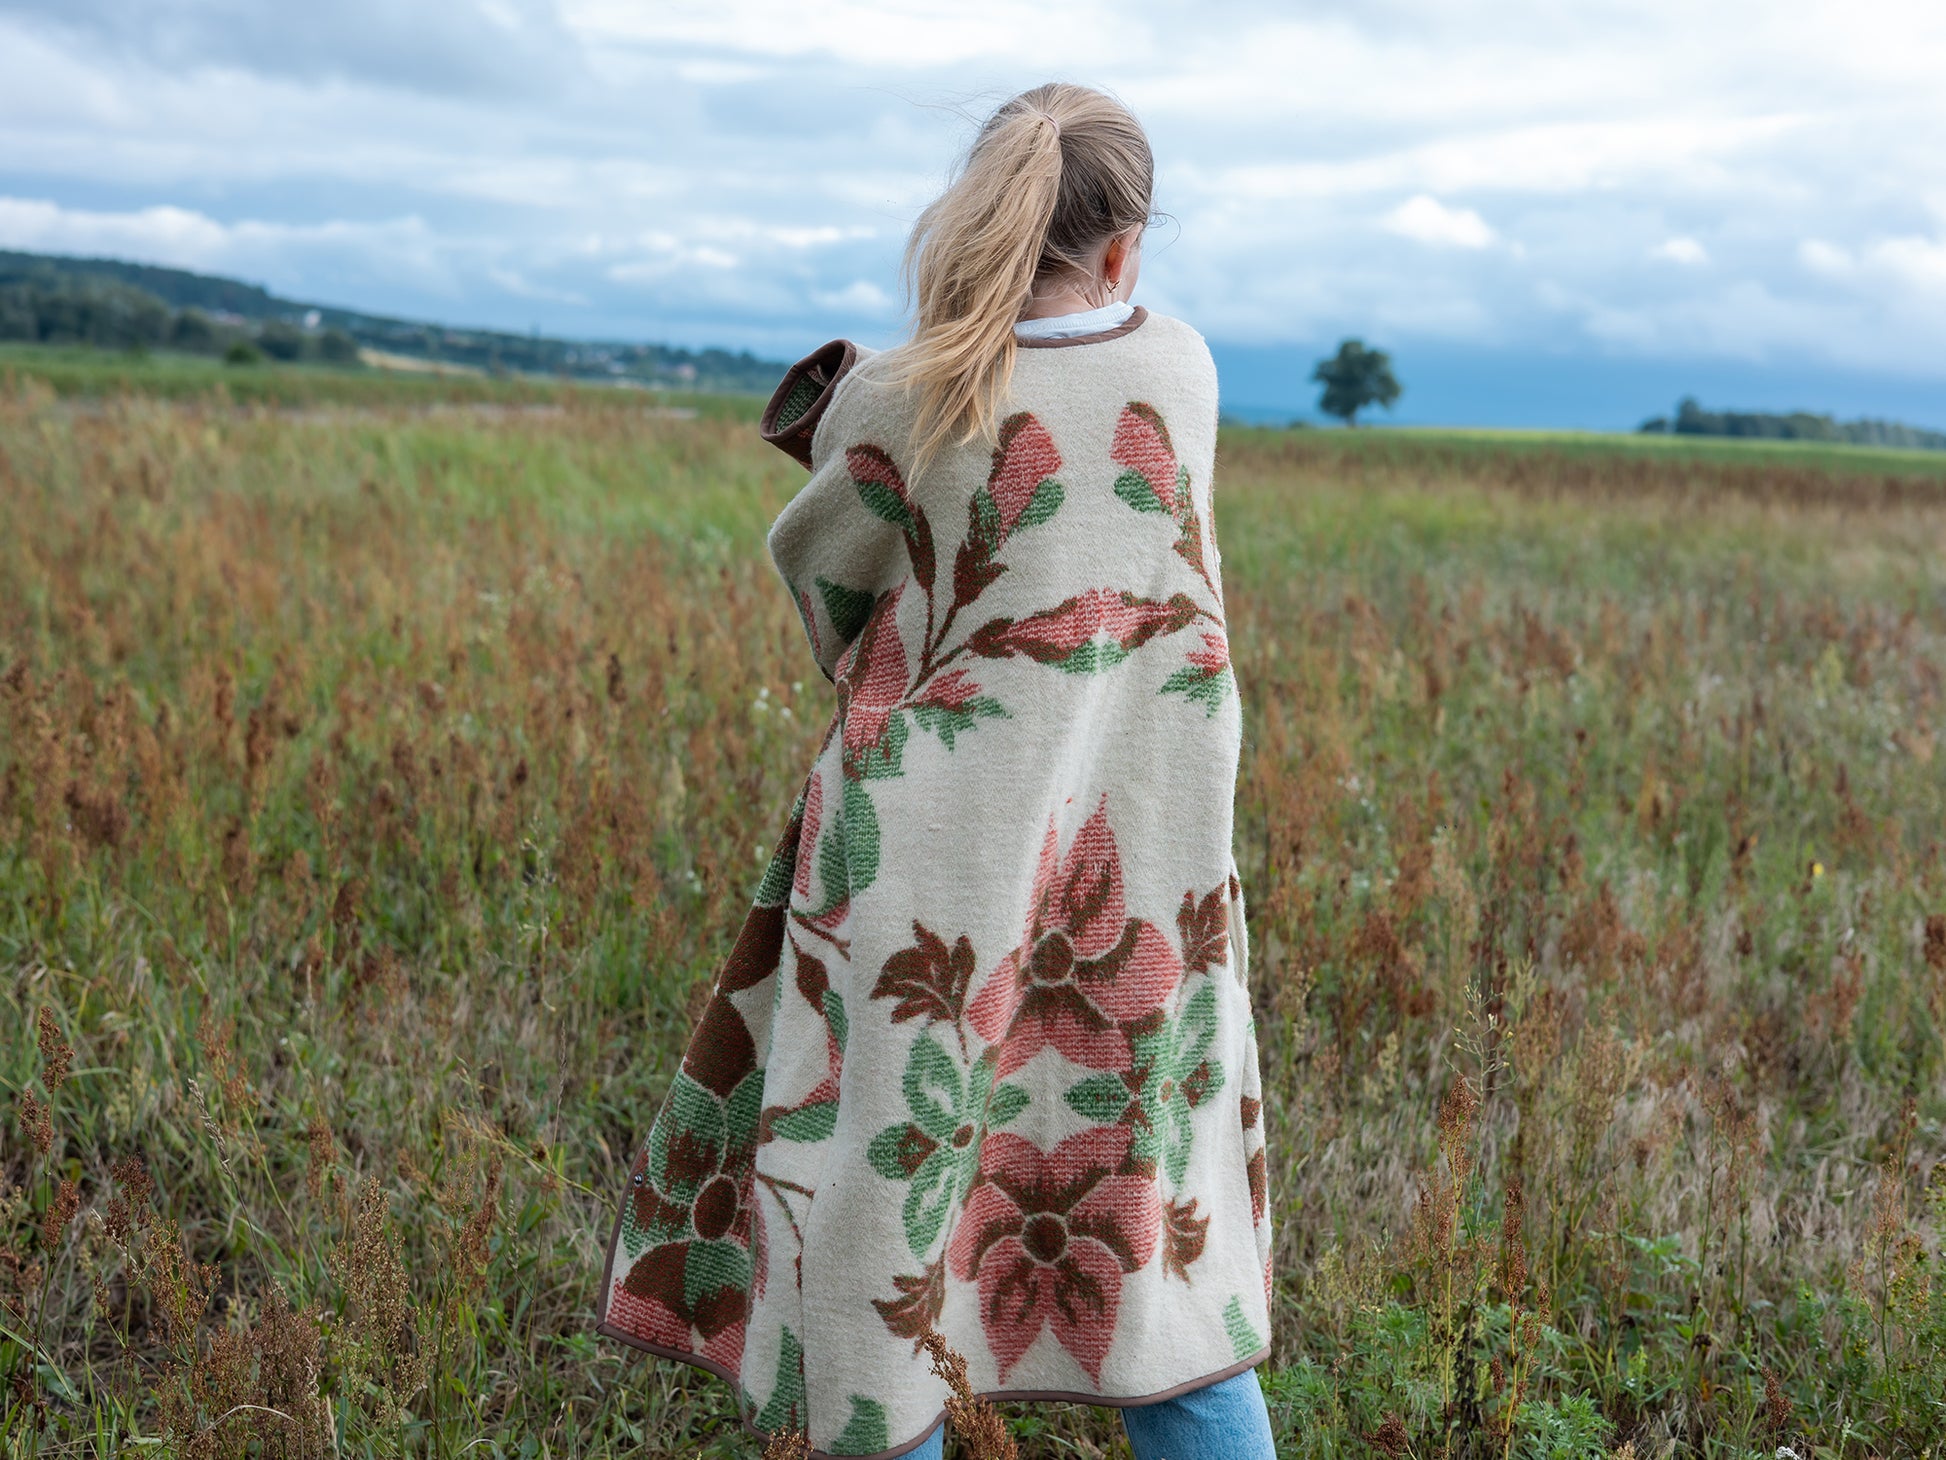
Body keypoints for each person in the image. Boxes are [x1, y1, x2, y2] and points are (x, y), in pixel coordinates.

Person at [596, 81, 1276, 1460]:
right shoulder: (1181, 368)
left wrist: (862, 407)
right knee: (1155, 1243)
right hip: (1139, 881)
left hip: (916, 887)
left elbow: (828, 588)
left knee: (879, 1234)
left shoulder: (902, 394)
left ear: (976, 217)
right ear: (1127, 243)